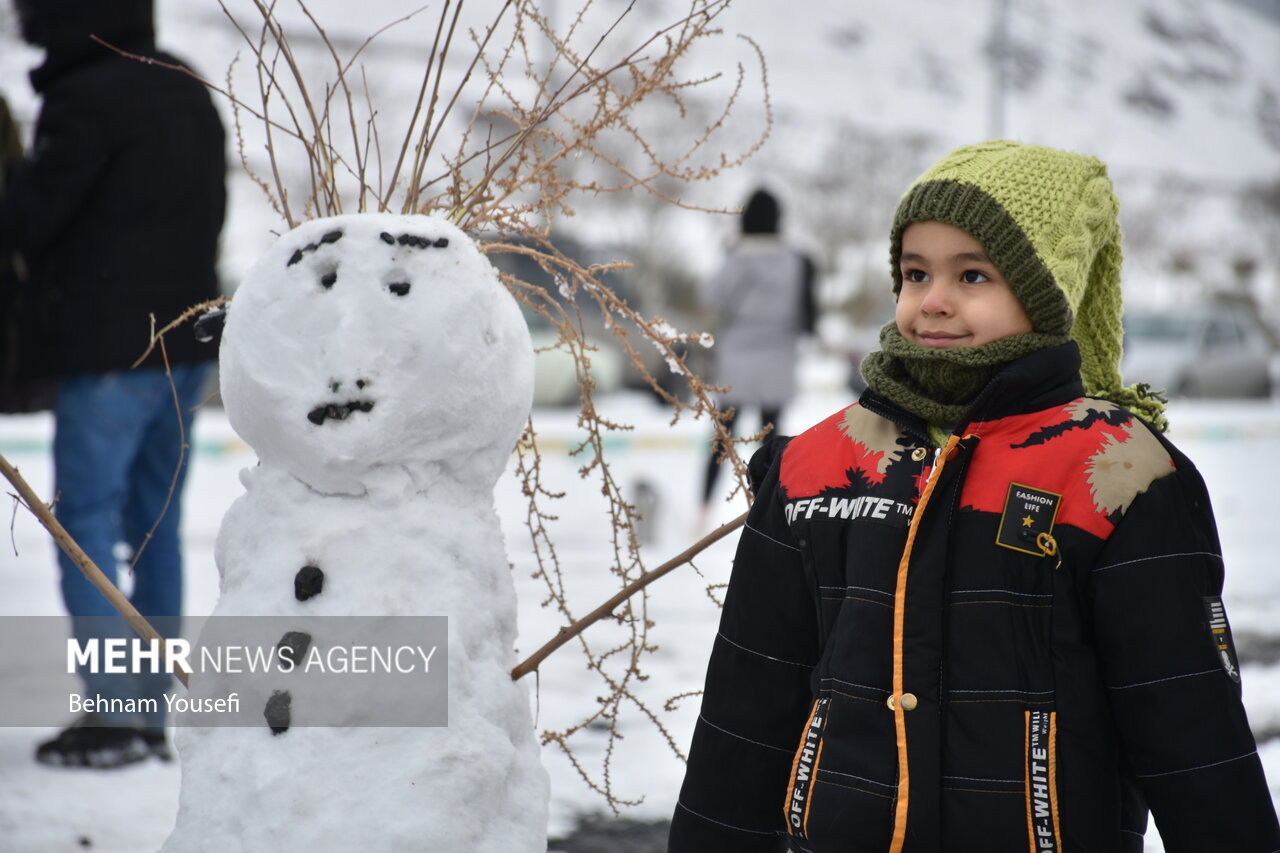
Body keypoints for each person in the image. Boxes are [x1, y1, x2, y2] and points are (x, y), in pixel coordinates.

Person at [668, 141, 1280, 852]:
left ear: (1046, 291)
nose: (933, 300)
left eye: (974, 274)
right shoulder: (818, 467)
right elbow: (744, 721)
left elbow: (1192, 737)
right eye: (915, 271)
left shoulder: (1119, 474)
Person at [0, 0, 226, 767]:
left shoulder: (83, 99)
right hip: (186, 341)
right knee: (156, 521)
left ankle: (114, 714)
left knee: (84, 525)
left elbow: (31, 219)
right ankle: (150, 711)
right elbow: (213, 211)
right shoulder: (185, 86)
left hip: (105, 350)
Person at [700, 187, 816, 509]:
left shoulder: (737, 256)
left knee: (722, 437)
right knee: (772, 439)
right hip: (779, 356)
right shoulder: (796, 259)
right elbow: (807, 314)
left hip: (737, 358)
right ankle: (768, 510)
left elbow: (711, 296)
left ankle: (703, 508)